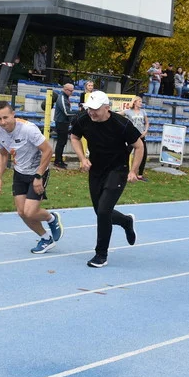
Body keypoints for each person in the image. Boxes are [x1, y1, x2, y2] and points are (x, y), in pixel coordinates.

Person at [69, 91, 140, 268]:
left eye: (95, 109)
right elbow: (74, 137)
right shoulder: (82, 119)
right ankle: (125, 221)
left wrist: (133, 170)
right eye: (89, 109)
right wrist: (82, 158)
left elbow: (139, 146)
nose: (91, 113)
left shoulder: (121, 123)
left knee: (103, 212)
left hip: (118, 169)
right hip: (96, 170)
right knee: (100, 210)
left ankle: (101, 254)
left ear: (107, 108)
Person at [0, 101, 63, 253]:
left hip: (37, 172)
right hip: (19, 174)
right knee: (22, 212)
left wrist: (39, 176)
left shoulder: (28, 129)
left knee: (30, 212)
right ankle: (45, 239)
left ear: (13, 115)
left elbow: (48, 151)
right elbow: (3, 154)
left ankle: (51, 218)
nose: (3, 122)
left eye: (6, 117)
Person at [124, 95, 150, 182]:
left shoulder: (143, 112)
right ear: (135, 102)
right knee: (126, 153)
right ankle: (126, 172)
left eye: (141, 102)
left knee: (144, 154)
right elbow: (118, 114)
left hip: (141, 135)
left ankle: (139, 174)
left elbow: (146, 122)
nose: (141, 103)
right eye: (139, 102)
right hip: (132, 136)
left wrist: (145, 131)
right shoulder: (128, 111)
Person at [52, 83, 75, 169]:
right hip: (61, 122)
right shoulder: (62, 98)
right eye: (70, 91)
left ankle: (59, 160)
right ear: (65, 89)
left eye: (72, 91)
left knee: (62, 142)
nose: (72, 92)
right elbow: (67, 112)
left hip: (64, 122)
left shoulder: (65, 97)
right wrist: (77, 114)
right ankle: (57, 161)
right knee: (61, 142)